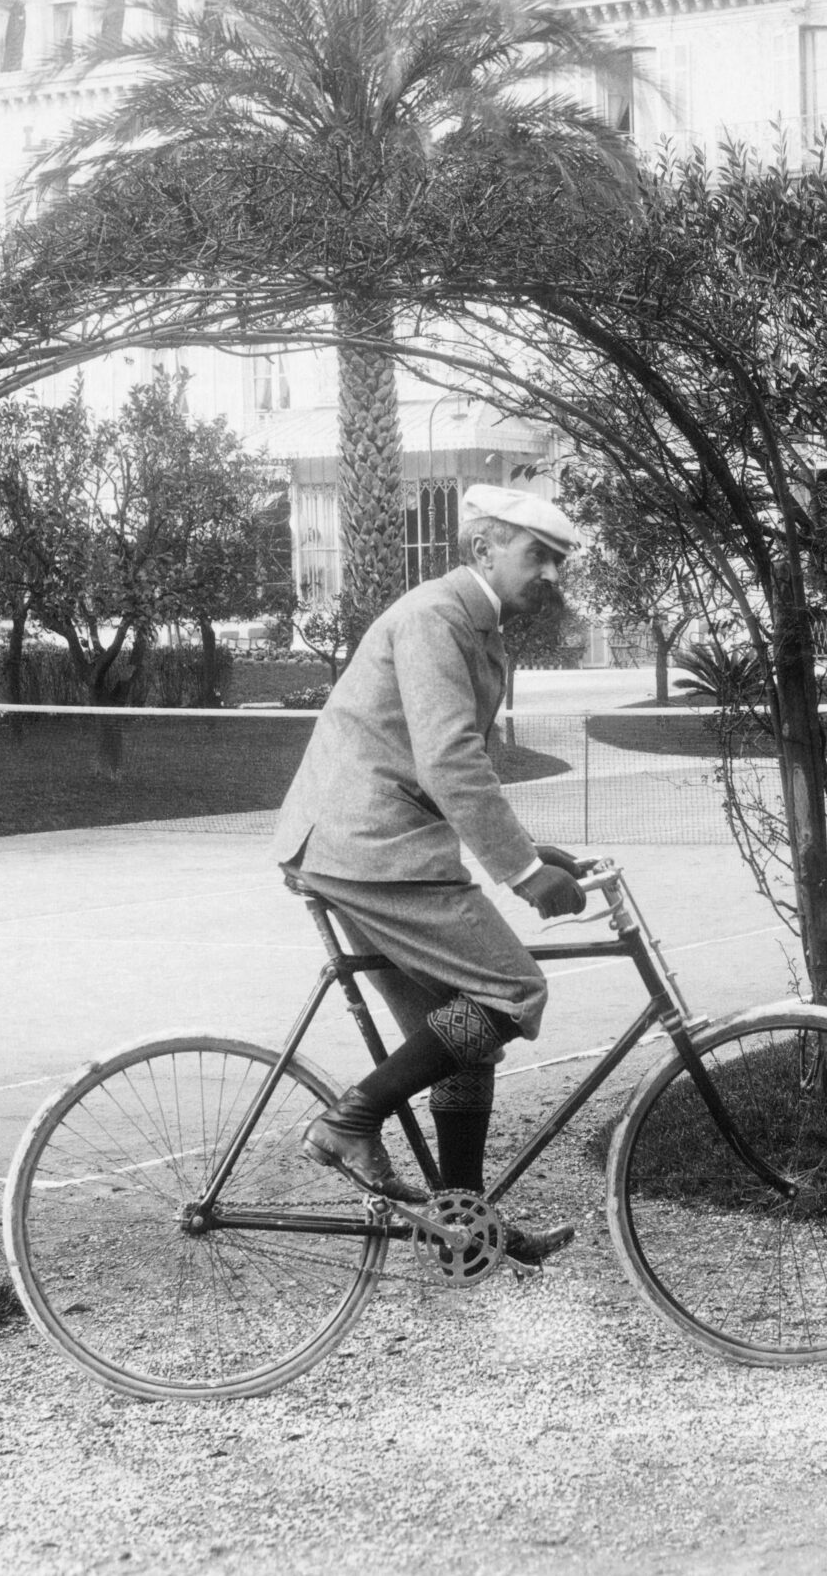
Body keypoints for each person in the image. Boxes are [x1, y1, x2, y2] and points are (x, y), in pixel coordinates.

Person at [270, 484, 587, 1265]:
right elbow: (449, 759)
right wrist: (519, 871)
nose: (548, 572)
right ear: (482, 549)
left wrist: (530, 847)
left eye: (557, 560)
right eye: (534, 553)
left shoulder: (476, 627)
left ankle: (463, 1232)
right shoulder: (434, 617)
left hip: (375, 840)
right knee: (513, 992)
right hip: (369, 843)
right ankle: (350, 1119)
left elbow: (456, 761)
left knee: (462, 1033)